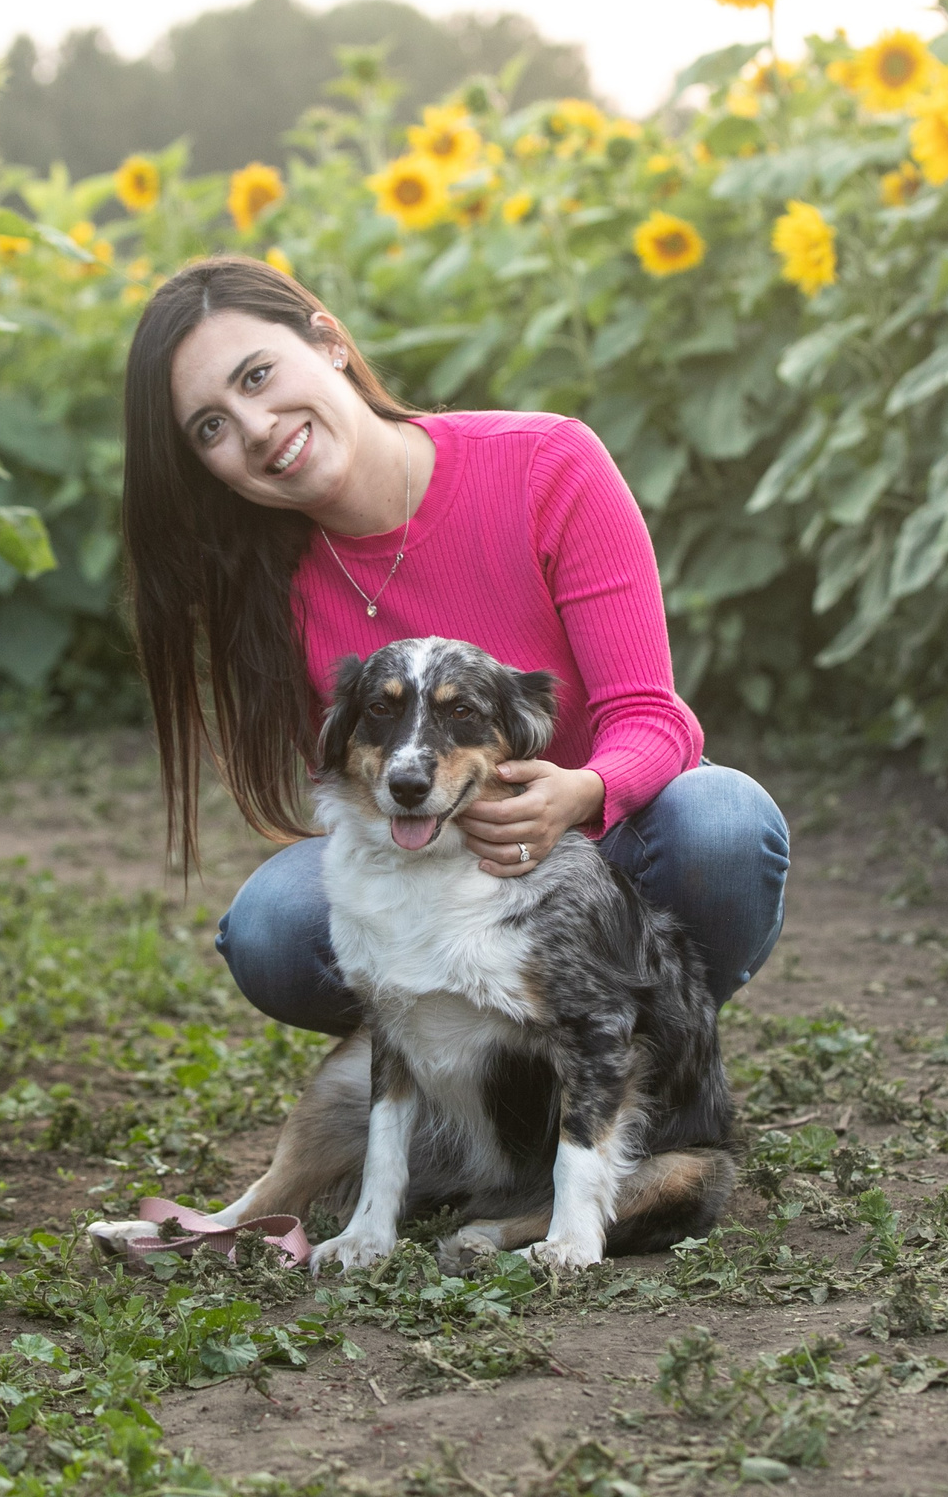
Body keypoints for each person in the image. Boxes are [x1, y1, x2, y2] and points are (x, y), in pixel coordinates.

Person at [119, 255, 789, 1035]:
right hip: (436, 869)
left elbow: (650, 714)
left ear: (328, 342)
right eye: (211, 427)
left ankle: (649, 1073)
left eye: (258, 375)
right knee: (273, 926)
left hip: (609, 847)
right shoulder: (269, 585)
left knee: (722, 824)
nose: (256, 428)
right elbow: (356, 782)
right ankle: (484, 1084)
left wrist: (579, 792)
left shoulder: (546, 463)